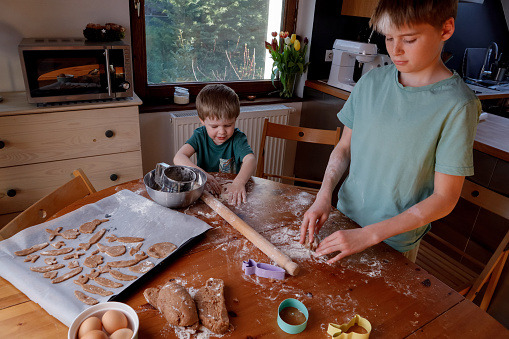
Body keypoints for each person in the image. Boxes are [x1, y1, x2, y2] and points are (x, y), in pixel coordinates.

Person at [300, 0, 481, 263]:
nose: (395, 50)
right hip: (345, 217)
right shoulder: (372, 81)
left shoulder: (458, 105)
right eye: (389, 38)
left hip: (393, 241)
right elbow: (344, 147)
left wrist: (370, 235)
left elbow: (445, 198)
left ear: (445, 29)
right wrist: (324, 194)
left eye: (409, 39)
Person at [174, 84, 256, 206]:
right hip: (205, 193)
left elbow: (250, 159)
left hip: (231, 193)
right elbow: (179, 157)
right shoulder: (200, 136)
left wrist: (239, 182)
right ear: (202, 120)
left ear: (235, 119)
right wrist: (202, 174)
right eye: (214, 126)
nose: (222, 131)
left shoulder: (238, 139)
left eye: (228, 125)